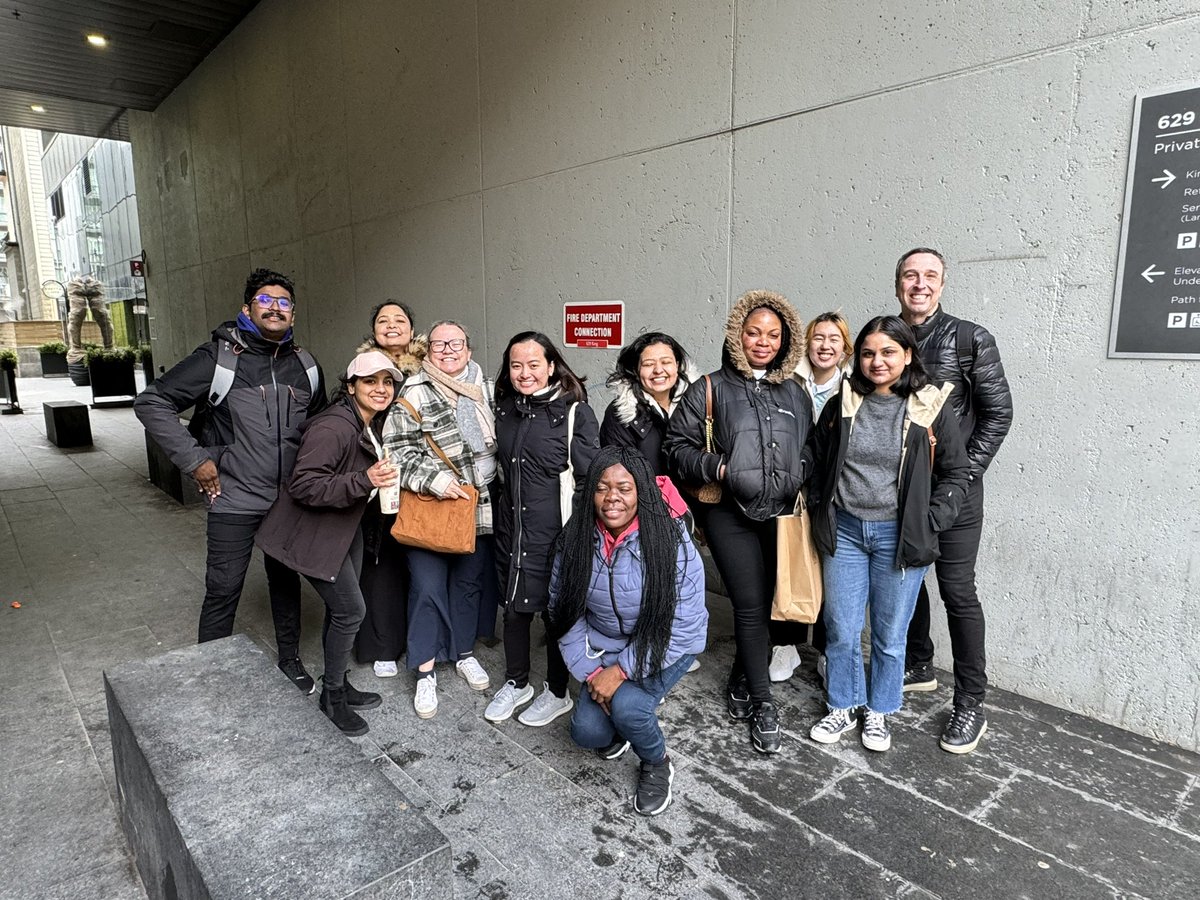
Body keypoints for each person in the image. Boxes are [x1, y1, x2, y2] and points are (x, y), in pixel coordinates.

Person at [134, 268, 326, 694]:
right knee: (223, 587)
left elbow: (318, 428)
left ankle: (290, 659)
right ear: (247, 308)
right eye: (265, 300)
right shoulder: (218, 359)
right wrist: (195, 460)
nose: (275, 308)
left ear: (293, 315)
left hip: (287, 500)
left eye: (284, 302)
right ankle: (212, 671)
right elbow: (151, 403)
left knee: (285, 581)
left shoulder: (307, 365)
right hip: (233, 495)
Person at [807, 316, 970, 753]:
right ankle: (843, 703)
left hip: (899, 538)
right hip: (845, 532)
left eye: (888, 352)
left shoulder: (929, 406)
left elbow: (956, 472)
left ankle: (878, 711)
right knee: (841, 629)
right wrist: (819, 503)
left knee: (890, 635)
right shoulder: (843, 402)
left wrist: (930, 520)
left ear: (908, 354)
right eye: (867, 353)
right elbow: (816, 457)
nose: (877, 361)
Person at [665, 289, 812, 754]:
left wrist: (799, 470)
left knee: (768, 603)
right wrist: (720, 469)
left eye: (773, 334)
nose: (763, 342)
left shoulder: (795, 393)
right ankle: (765, 703)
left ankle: (741, 678)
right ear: (737, 336)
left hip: (780, 513)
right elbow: (675, 448)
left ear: (786, 340)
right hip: (729, 512)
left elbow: (810, 446)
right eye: (753, 332)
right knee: (749, 604)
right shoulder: (709, 388)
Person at [895, 248, 1013, 754]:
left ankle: (970, 702)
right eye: (910, 275)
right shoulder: (887, 337)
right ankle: (918, 663)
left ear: (942, 284)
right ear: (898, 284)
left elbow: (998, 414)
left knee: (958, 592)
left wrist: (961, 477)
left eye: (930, 276)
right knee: (906, 576)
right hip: (902, 491)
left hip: (957, 493)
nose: (920, 284)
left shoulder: (970, 339)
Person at [551, 449, 708, 816]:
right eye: (602, 488)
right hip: (604, 648)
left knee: (629, 708)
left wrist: (620, 673)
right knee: (586, 732)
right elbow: (563, 613)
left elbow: (683, 624)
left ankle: (656, 762)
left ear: (641, 492)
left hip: (666, 643)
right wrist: (593, 674)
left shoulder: (669, 539)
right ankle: (620, 727)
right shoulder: (576, 539)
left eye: (624, 488)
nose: (612, 498)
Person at [255, 351, 400, 736]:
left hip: (342, 527)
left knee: (342, 611)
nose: (381, 389)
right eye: (370, 381)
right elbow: (304, 484)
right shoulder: (335, 426)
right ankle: (332, 697)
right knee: (351, 610)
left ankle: (338, 681)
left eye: (387, 382)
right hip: (311, 533)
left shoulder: (367, 420)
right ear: (350, 386)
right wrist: (365, 480)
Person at [383, 320, 497, 719]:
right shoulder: (414, 391)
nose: (448, 350)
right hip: (432, 506)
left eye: (456, 343)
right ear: (427, 351)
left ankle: (463, 652)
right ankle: (425, 670)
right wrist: (436, 480)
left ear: (469, 349)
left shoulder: (487, 389)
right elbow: (396, 452)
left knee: (468, 584)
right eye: (439, 344)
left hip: (479, 504)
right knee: (428, 588)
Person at [486, 332, 600, 726]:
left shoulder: (574, 413)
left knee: (555, 615)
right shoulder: (505, 409)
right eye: (516, 365)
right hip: (511, 529)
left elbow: (589, 481)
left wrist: (579, 537)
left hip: (556, 534)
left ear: (551, 366)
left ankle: (557, 691)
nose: (524, 373)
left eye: (534, 364)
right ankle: (517, 682)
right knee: (513, 610)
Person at [770, 312, 853, 685]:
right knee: (786, 562)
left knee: (831, 570)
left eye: (834, 339)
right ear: (807, 343)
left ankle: (824, 650)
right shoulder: (788, 380)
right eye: (819, 337)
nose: (825, 345)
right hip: (792, 487)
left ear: (845, 348)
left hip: (835, 491)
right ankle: (784, 644)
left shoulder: (854, 387)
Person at [353, 301, 428, 679]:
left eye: (400, 320)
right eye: (383, 320)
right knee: (380, 566)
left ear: (413, 330)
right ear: (374, 330)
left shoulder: (430, 367)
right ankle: (383, 644)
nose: (392, 325)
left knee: (423, 568)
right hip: (379, 481)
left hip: (422, 481)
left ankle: (425, 642)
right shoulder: (364, 368)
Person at [600, 332, 698, 476]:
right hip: (646, 491)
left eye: (666, 362)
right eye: (648, 364)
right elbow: (621, 476)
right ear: (636, 370)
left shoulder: (696, 406)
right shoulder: (620, 414)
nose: (658, 370)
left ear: (677, 365)